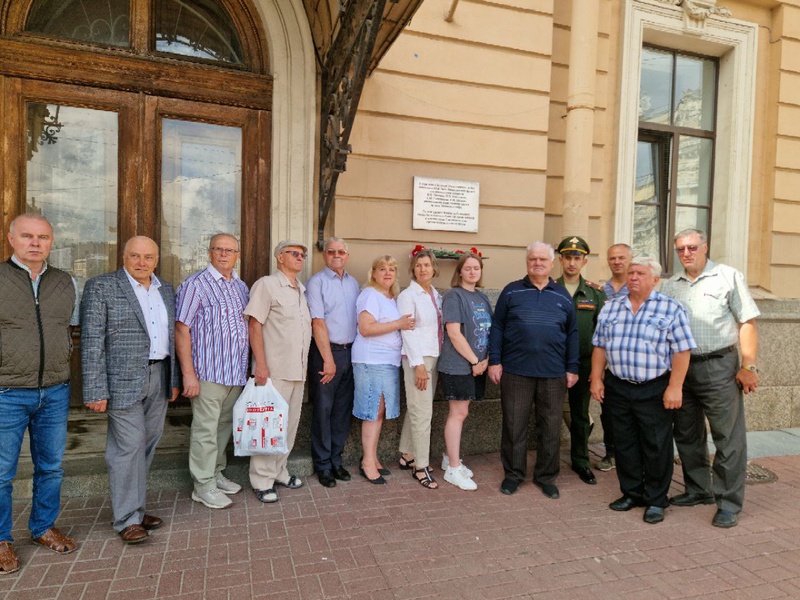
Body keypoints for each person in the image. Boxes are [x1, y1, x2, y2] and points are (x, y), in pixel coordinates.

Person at [81, 236, 180, 544]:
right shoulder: (101, 287)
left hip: (159, 374)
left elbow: (171, 336)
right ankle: (126, 519)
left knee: (147, 443)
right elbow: (92, 340)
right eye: (135, 255)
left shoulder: (166, 289)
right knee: (128, 446)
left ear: (157, 259)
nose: (141, 262)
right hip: (120, 381)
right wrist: (95, 388)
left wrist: (173, 379)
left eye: (148, 257)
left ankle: (136, 509)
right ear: (123, 257)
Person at [660, 229, 760, 528]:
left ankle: (728, 503)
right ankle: (698, 489)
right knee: (687, 433)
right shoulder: (670, 286)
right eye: (680, 249)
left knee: (728, 438)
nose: (686, 253)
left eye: (692, 247)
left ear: (705, 247)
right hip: (681, 369)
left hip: (719, 366)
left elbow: (747, 322)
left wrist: (749, 366)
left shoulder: (728, 276)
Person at [590, 257, 696, 524]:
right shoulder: (611, 308)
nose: (633, 277)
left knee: (656, 445)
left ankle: (656, 499)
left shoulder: (671, 308)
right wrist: (596, 378)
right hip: (618, 386)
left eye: (640, 273)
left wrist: (675, 387)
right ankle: (632, 493)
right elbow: (600, 346)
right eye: (631, 272)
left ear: (655, 280)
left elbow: (682, 351)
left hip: (654, 387)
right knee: (624, 443)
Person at [0, 214, 78, 574]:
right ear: (12, 238)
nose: (36, 243)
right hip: (7, 392)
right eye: (28, 236)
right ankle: (2, 540)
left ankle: (42, 527)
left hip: (55, 390)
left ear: (51, 241)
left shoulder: (63, 282)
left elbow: (67, 330)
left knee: (51, 467)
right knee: (2, 473)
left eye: (43, 237)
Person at [488, 242, 579, 499]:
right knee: (514, 425)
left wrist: (572, 368)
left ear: (552, 264)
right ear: (527, 263)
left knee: (550, 427)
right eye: (532, 259)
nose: (537, 263)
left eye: (542, 259)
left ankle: (546, 477)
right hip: (516, 371)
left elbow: (571, 334)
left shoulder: (562, 296)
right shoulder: (511, 292)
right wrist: (495, 360)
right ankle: (514, 474)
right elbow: (498, 327)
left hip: (553, 373)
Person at [175, 234, 250, 509]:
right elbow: (182, 329)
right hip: (207, 371)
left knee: (223, 428)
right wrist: (188, 373)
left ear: (237, 255)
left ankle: (216, 473)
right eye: (218, 249)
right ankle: (202, 484)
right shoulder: (195, 285)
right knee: (205, 430)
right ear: (209, 252)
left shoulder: (241, 287)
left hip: (234, 372)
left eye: (230, 250)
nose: (224, 254)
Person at [245, 240, 312, 504]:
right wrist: (260, 365)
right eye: (293, 253)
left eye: (302, 254)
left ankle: (279, 472)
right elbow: (254, 324)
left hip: (298, 371)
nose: (300, 257)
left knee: (289, 429)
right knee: (268, 428)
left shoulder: (301, 290)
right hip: (273, 372)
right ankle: (261, 480)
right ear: (279, 258)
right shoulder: (266, 285)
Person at [352, 256, 414, 484]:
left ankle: (372, 457)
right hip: (371, 360)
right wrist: (398, 324)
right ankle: (367, 461)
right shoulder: (370, 295)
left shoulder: (391, 298)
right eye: (382, 269)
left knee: (379, 411)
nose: (387, 273)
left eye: (392, 269)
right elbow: (366, 328)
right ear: (374, 273)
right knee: (373, 410)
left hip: (388, 362)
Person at [306, 237, 359, 488]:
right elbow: (317, 322)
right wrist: (328, 359)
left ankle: (336, 460)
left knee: (341, 411)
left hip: (351, 353)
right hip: (327, 353)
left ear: (347, 256)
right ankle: (323, 465)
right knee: (323, 411)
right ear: (324, 256)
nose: (336, 255)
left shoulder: (354, 283)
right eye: (331, 252)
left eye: (341, 252)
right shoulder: (316, 283)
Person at [438, 252, 492, 491]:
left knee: (463, 413)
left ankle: (449, 457)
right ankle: (453, 468)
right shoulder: (454, 296)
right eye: (467, 268)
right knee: (457, 413)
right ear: (460, 271)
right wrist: (474, 361)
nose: (472, 272)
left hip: (477, 366)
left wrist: (486, 360)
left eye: (476, 268)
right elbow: (454, 333)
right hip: (459, 365)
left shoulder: (481, 298)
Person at [555, 236, 606, 486]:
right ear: (560, 259)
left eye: (577, 258)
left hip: (584, 362)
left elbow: (602, 334)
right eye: (567, 257)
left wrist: (599, 370)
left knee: (580, 414)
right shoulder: (550, 288)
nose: (572, 263)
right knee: (549, 412)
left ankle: (581, 461)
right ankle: (549, 461)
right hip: (552, 362)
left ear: (584, 261)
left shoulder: (596, 294)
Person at [397, 249, 442, 489]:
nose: (423, 269)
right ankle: (421, 466)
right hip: (418, 359)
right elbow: (408, 331)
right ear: (413, 269)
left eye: (427, 265)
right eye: (418, 265)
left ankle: (407, 454)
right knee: (422, 413)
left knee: (418, 407)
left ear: (434, 269)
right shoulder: (408, 295)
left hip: (432, 356)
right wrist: (419, 365)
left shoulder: (434, 294)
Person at [595, 243, 633, 472]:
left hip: (634, 360)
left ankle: (631, 454)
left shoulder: (640, 287)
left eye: (621, 257)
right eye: (612, 258)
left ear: (630, 259)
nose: (617, 262)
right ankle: (610, 453)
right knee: (608, 412)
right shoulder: (600, 291)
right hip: (609, 363)